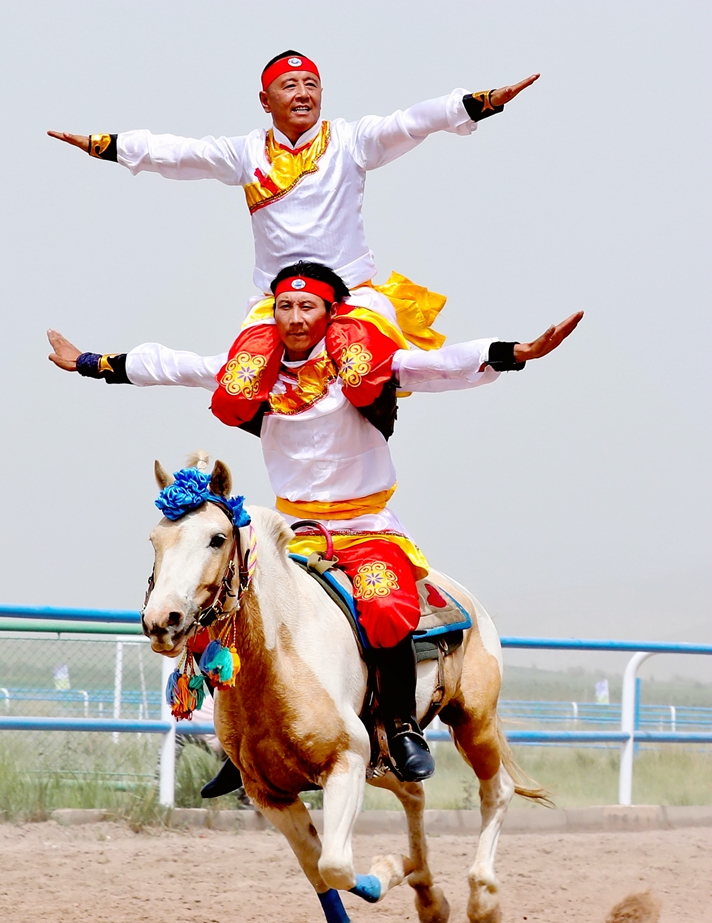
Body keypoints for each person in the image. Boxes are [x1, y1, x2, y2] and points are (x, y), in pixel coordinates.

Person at [47, 261, 582, 789]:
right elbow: (172, 365)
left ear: (331, 313)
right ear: (272, 312)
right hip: (292, 532)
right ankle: (243, 744)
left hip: (367, 528)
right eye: (285, 305)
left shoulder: (367, 366)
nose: (295, 316)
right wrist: (90, 363)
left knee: (385, 608)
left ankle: (400, 727)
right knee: (227, 606)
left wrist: (517, 352)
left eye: (308, 306)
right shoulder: (253, 371)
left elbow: (441, 364)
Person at [48, 51, 539, 348]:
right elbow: (177, 153)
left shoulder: (350, 140)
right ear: (266, 101)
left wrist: (476, 103)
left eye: (311, 85)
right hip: (279, 305)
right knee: (238, 385)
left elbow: (409, 122)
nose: (303, 94)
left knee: (365, 371)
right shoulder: (245, 153)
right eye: (289, 86)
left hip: (351, 299)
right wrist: (106, 145)